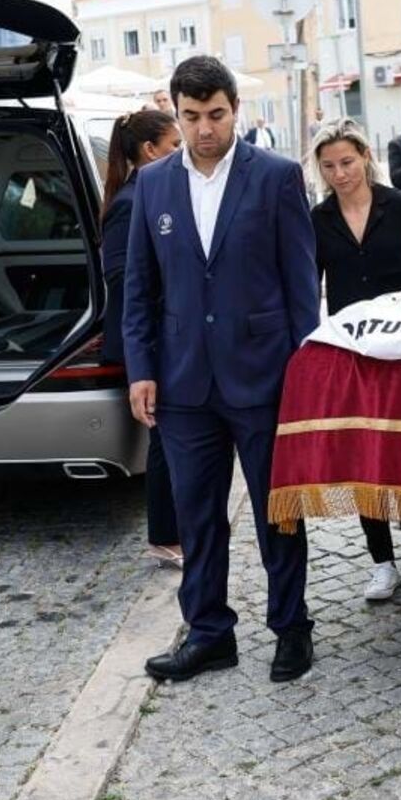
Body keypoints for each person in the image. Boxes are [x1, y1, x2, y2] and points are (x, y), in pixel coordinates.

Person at [123, 56, 319, 684]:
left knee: (277, 511)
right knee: (196, 516)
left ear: (236, 110)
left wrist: (303, 373)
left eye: (216, 115)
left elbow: (301, 287)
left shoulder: (278, 177)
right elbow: (139, 288)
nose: (204, 129)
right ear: (177, 115)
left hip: (264, 377)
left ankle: (291, 627)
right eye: (191, 117)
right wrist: (141, 368)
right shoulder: (153, 184)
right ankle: (209, 634)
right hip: (183, 383)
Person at [310, 118, 401, 600]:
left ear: (366, 157)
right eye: (329, 166)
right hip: (353, 351)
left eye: (347, 162)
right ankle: (381, 562)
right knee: (362, 455)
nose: (340, 174)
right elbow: (307, 282)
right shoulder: (318, 219)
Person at [102, 110, 185, 570]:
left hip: (165, 336)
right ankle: (166, 537)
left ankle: (177, 531)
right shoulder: (130, 202)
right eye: (174, 144)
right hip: (152, 339)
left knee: (172, 436)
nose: (180, 152)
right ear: (150, 150)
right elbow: (122, 276)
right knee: (163, 440)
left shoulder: (148, 193)